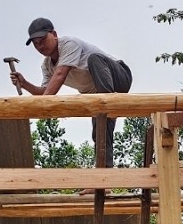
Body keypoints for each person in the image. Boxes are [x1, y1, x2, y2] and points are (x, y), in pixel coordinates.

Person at [11, 16, 132, 167]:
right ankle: (103, 181)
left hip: (119, 77)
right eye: (36, 44)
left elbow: (60, 76)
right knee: (100, 130)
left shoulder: (69, 44)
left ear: (54, 34)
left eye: (42, 40)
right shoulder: (47, 65)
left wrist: (41, 107)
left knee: (95, 59)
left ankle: (105, 104)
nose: (40, 46)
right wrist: (25, 84)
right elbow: (46, 93)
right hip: (96, 95)